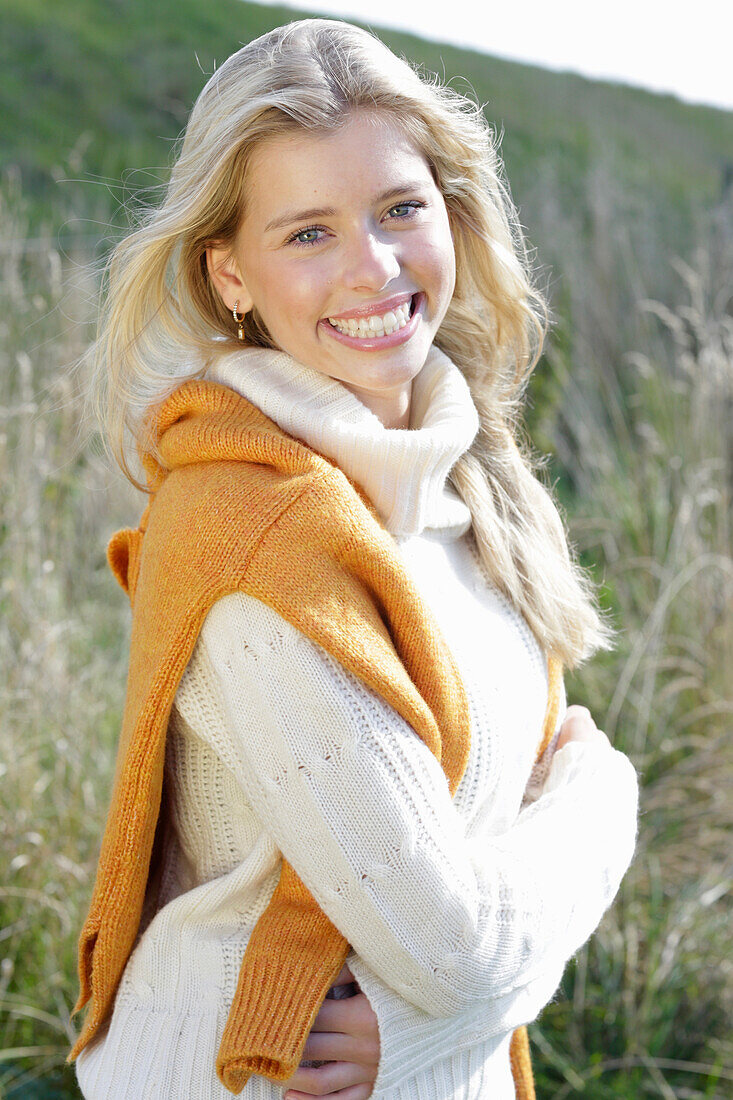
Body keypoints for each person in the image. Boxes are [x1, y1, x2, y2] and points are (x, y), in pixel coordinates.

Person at [69, 18, 639, 1100]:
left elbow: (457, 948)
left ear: (452, 216)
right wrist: (603, 793)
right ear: (229, 275)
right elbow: (454, 948)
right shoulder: (254, 523)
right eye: (307, 234)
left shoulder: (462, 474)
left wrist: (432, 1030)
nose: (372, 267)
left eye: (399, 209)